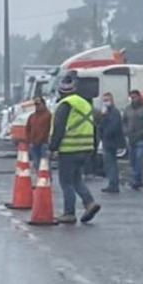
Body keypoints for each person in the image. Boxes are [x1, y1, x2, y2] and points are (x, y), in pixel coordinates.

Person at [49, 74, 101, 224]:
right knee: (77, 180)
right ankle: (89, 203)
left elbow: (59, 128)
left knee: (66, 182)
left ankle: (69, 213)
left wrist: (52, 148)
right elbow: (95, 128)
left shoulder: (65, 105)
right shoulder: (85, 104)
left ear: (60, 91)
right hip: (85, 148)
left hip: (69, 149)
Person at [122, 89, 143, 191]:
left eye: (135, 97)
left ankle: (136, 182)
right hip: (131, 138)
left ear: (139, 96)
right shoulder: (128, 109)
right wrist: (125, 131)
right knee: (132, 161)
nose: (133, 99)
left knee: (139, 159)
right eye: (131, 97)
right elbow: (124, 121)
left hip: (142, 138)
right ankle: (137, 180)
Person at [98, 92, 124, 194]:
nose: (106, 102)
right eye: (104, 100)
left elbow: (113, 126)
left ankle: (113, 184)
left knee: (111, 163)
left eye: (107, 100)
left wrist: (105, 135)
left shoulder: (114, 112)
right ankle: (112, 183)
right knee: (109, 163)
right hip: (107, 141)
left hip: (112, 141)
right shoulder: (106, 112)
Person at [26, 96, 52, 173]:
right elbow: (28, 129)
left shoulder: (49, 115)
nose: (37, 106)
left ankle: (47, 182)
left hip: (44, 144)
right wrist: (29, 141)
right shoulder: (32, 116)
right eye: (36, 105)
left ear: (44, 104)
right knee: (36, 164)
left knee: (45, 165)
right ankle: (39, 181)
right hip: (33, 144)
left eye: (39, 104)